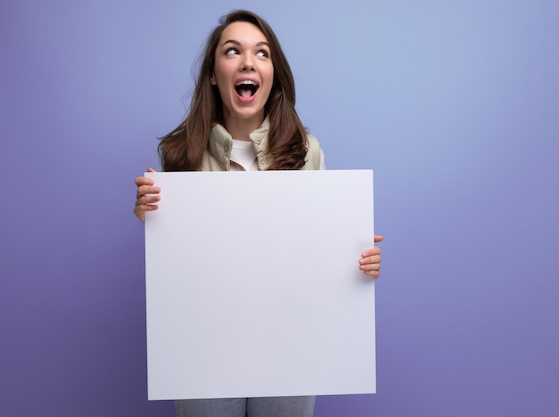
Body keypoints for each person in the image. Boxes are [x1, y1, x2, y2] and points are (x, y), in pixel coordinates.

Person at [133, 9, 383, 417]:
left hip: (290, 342)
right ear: (214, 73)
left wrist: (357, 259)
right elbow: (178, 261)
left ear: (273, 73)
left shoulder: (307, 151)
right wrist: (150, 215)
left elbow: (319, 250)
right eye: (233, 51)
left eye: (261, 53)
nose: (248, 61)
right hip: (204, 345)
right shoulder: (181, 154)